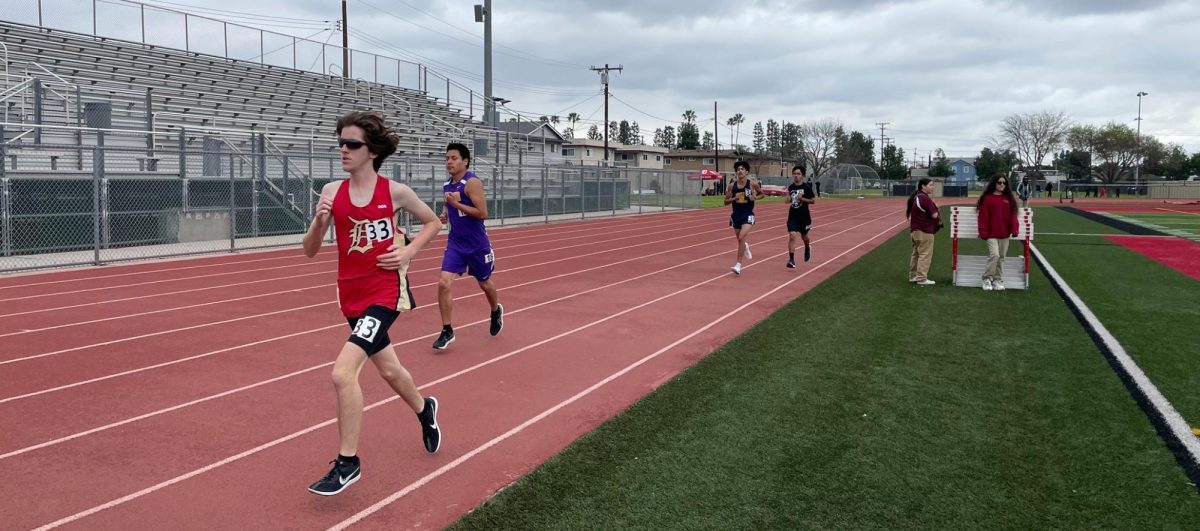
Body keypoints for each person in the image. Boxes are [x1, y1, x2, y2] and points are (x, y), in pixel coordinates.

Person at [302, 111, 443, 496]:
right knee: (392, 371)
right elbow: (311, 251)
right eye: (341, 143)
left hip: (385, 292)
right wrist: (318, 224)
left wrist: (409, 252)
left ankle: (348, 463)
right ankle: (424, 409)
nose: (343, 150)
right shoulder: (331, 191)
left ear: (373, 151)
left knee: (343, 372)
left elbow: (433, 222)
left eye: (352, 144)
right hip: (350, 295)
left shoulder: (394, 192)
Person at [433, 142, 503, 350]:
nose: (449, 162)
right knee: (444, 283)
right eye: (446, 158)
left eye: (453, 158)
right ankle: (447, 330)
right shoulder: (447, 185)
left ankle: (495, 310)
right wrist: (446, 213)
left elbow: (483, 213)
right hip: (456, 243)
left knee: (484, 282)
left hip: (476, 243)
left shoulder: (472, 183)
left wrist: (456, 204)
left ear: (465, 161)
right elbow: (448, 202)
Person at [976, 174, 1019, 291]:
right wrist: (983, 231)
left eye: (1004, 183)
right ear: (994, 183)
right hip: (991, 234)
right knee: (994, 255)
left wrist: (1015, 229)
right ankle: (986, 279)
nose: (1002, 185)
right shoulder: (988, 198)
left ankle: (998, 280)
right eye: (999, 182)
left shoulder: (1009, 199)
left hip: (1005, 234)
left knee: (1001, 258)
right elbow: (983, 217)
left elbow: (1013, 216)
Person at [724, 160, 764, 275]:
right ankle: (745, 245)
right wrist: (734, 198)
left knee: (741, 237)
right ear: (736, 172)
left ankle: (738, 265)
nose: (740, 171)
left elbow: (762, 194)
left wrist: (755, 197)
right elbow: (725, 202)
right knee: (740, 239)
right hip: (736, 215)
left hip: (748, 214)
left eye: (742, 169)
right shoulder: (732, 185)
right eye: (738, 169)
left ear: (746, 172)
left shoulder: (752, 184)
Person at [906, 178, 939, 286]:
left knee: (916, 254)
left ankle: (913, 275)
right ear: (923, 186)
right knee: (925, 254)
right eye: (930, 185)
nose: (932, 187)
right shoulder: (924, 198)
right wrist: (936, 209)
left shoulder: (916, 197)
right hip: (924, 230)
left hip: (915, 231)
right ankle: (921, 278)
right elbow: (934, 215)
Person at [785, 165, 816, 268]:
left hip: (804, 216)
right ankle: (791, 260)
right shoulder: (791, 187)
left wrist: (802, 199)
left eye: (798, 174)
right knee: (792, 235)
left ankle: (807, 247)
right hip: (793, 215)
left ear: (802, 175)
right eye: (794, 174)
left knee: (805, 237)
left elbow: (812, 201)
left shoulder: (807, 187)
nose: (796, 176)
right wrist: (787, 198)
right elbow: (787, 201)